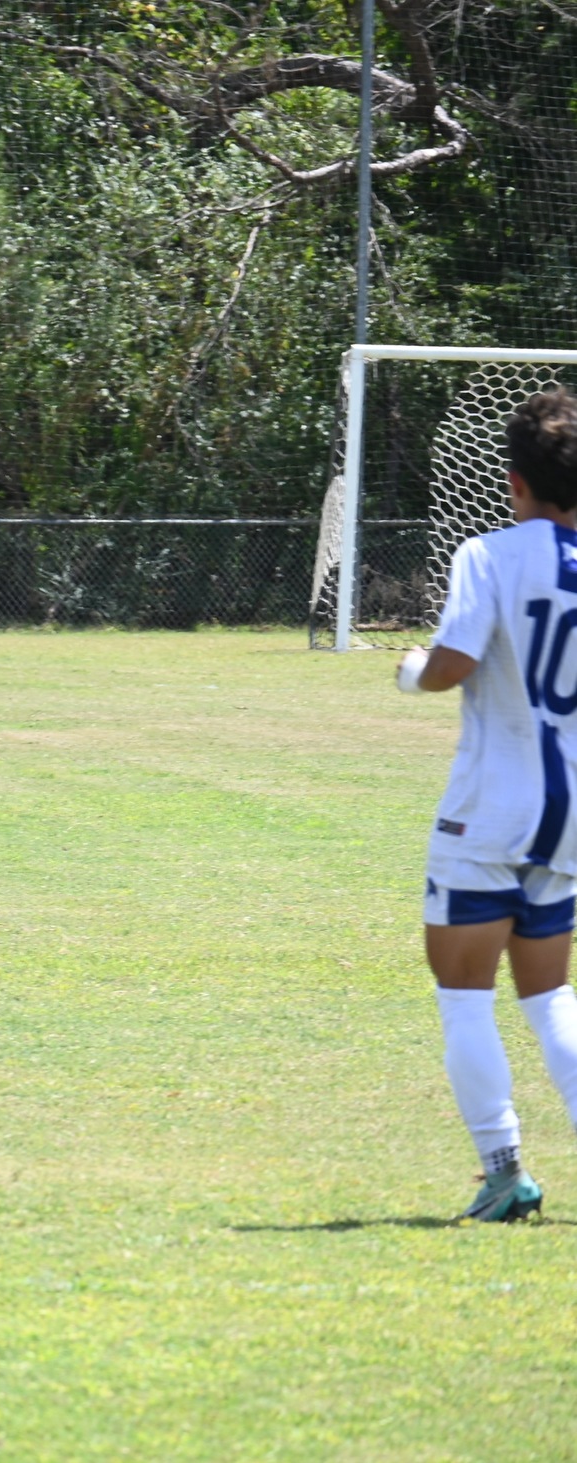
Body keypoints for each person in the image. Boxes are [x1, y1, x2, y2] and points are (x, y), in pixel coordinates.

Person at [396, 386, 577, 1221]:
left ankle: (503, 1170)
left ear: (513, 482)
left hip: (490, 809)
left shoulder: (490, 555)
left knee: (464, 995)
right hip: (568, 815)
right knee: (550, 1000)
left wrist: (410, 667)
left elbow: (454, 662)